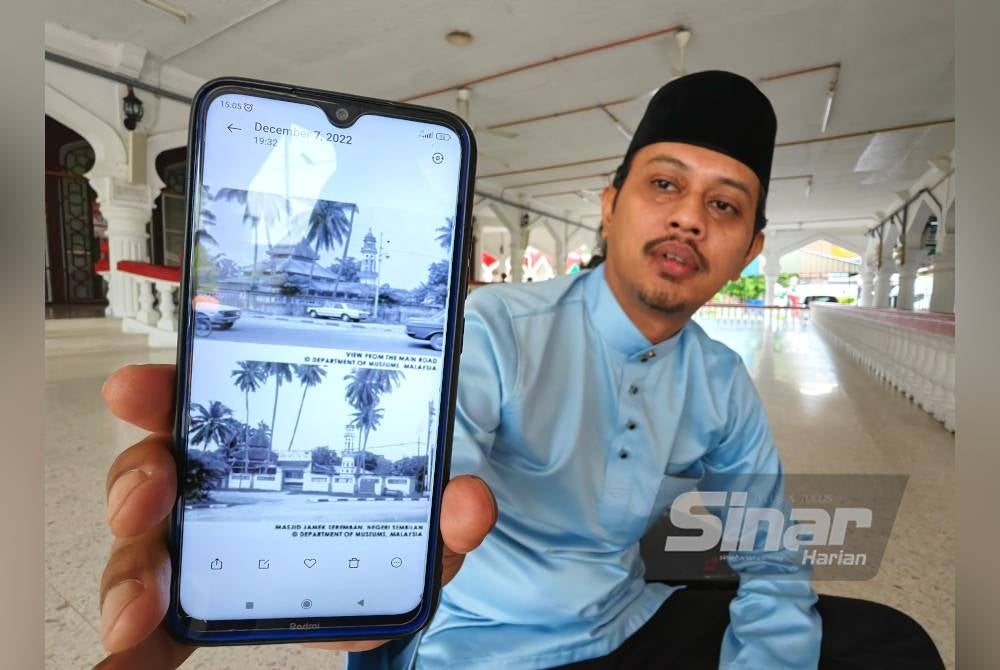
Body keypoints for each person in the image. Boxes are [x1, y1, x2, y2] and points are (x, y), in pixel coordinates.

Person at [96, 71, 944, 669]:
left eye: (725, 204)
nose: (691, 215)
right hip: (487, 646)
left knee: (893, 645)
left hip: (630, 623)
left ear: (750, 248)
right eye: (665, 184)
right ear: (610, 207)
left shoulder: (720, 381)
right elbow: (423, 500)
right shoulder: (496, 333)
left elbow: (766, 553)